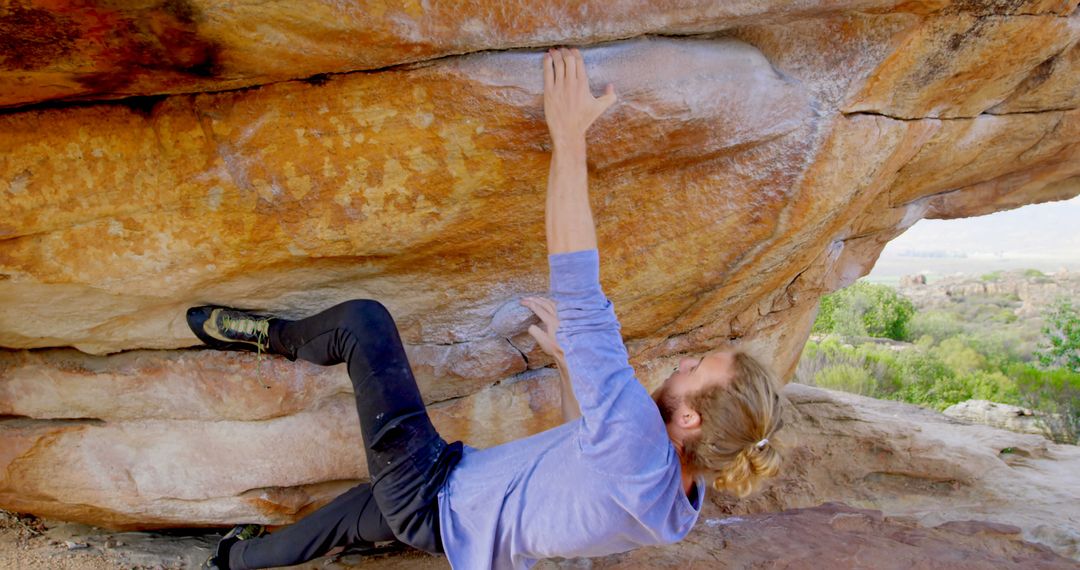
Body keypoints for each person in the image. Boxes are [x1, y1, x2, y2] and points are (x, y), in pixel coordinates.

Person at [190, 47, 785, 570]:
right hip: (450, 524)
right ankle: (231, 559)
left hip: (432, 490)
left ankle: (271, 338)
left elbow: (577, 286)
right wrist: (562, 362)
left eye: (695, 369)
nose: (681, 367)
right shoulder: (676, 503)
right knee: (351, 516)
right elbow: (591, 444)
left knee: (362, 323)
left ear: (691, 420)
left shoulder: (638, 443)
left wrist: (568, 135)